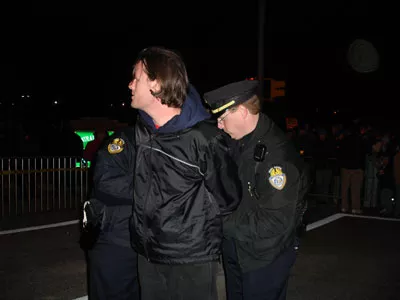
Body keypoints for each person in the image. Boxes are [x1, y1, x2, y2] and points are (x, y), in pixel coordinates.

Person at [127, 46, 242, 300]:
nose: (130, 84)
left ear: (156, 85)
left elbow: (229, 197)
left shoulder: (203, 139)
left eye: (136, 77)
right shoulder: (144, 130)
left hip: (190, 258)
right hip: (147, 253)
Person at [203, 80, 310, 300]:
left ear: (242, 112)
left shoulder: (277, 158)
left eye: (223, 118)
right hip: (236, 247)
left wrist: (217, 222)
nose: (220, 125)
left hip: (264, 256)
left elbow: (274, 222)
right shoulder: (238, 140)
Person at [82, 127, 139, 300]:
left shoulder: (166, 139)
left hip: (145, 237)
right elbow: (106, 183)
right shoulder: (123, 140)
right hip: (114, 235)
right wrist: (155, 185)